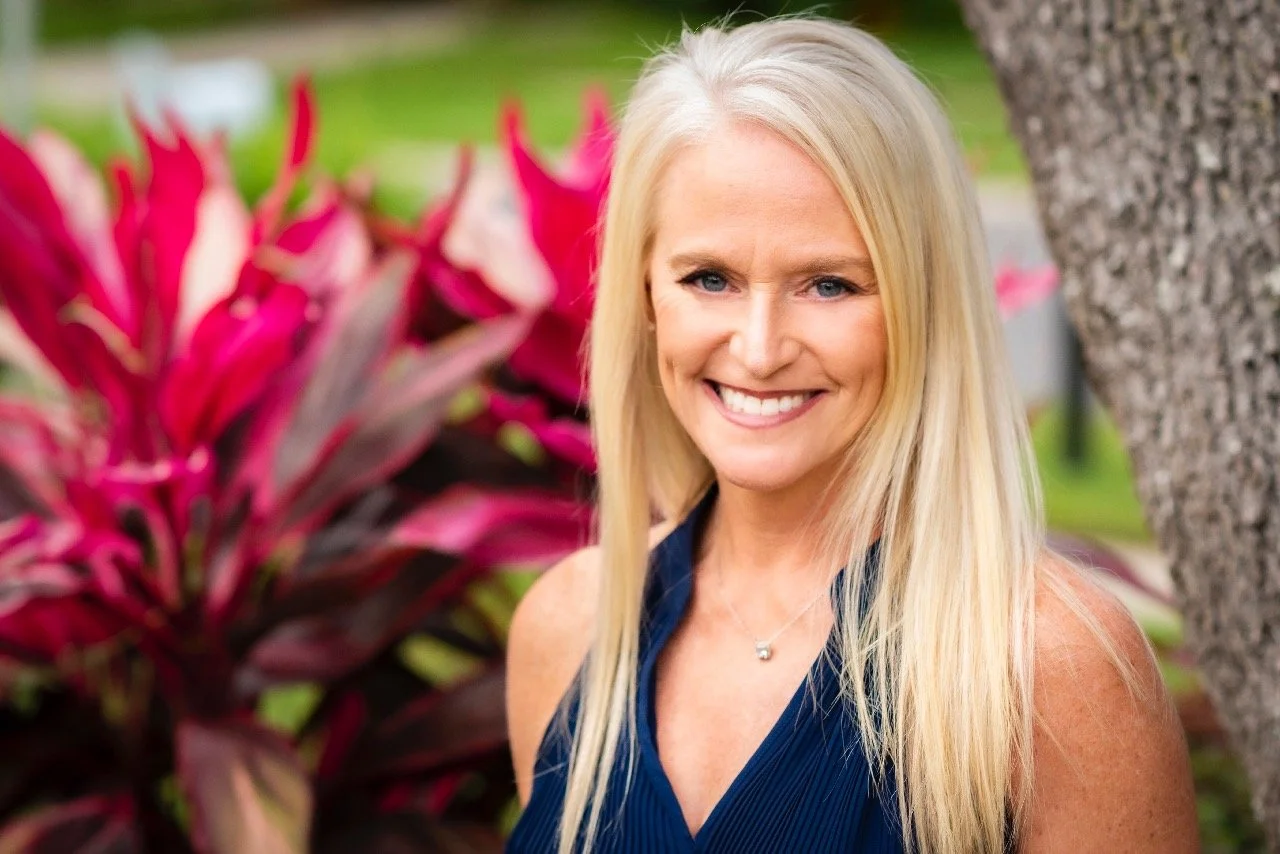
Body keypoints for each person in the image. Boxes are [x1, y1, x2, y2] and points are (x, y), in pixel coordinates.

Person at [505, 16, 1199, 854]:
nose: (759, 349)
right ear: (646, 296)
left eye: (829, 285)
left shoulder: (1048, 665)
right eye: (710, 279)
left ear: (921, 302)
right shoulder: (573, 626)